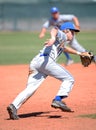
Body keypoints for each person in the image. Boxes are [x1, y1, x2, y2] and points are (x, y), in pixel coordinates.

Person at [7, 22, 90, 120]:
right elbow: (55, 29)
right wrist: (52, 38)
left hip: (36, 63)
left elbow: (64, 49)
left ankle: (13, 106)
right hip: (47, 62)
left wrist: (79, 53)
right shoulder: (62, 35)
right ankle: (58, 100)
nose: (73, 34)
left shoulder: (62, 41)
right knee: (69, 79)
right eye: (72, 32)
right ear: (66, 31)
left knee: (30, 89)